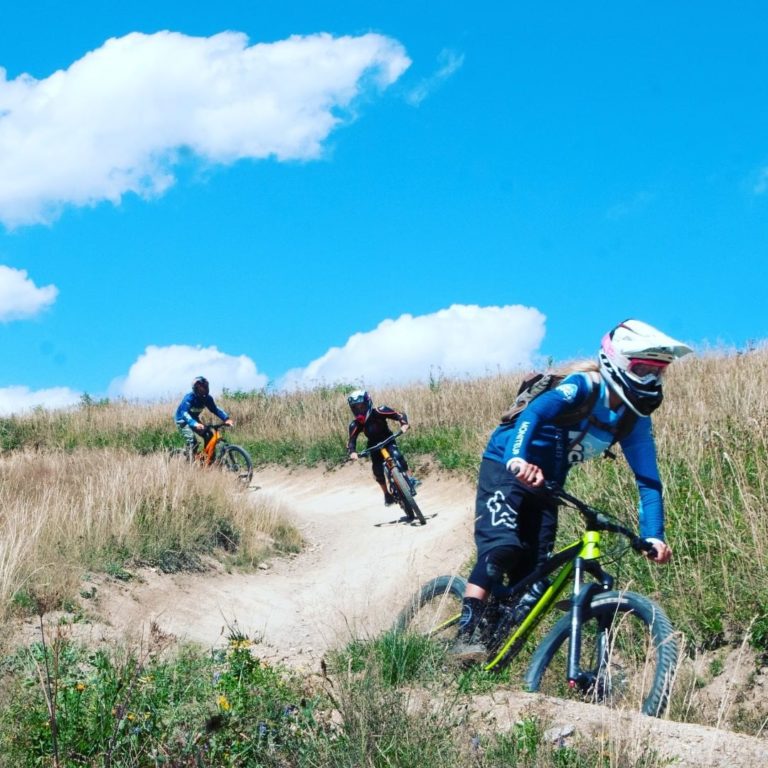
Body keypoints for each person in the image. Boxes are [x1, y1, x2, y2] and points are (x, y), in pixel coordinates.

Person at [452, 319, 693, 659]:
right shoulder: (584, 385)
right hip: (506, 464)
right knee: (503, 546)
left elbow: (648, 480)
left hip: (548, 483)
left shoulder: (633, 419)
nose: (652, 380)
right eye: (643, 369)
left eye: (659, 372)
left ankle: (490, 651)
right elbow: (533, 415)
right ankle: (465, 634)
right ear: (618, 362)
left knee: (534, 577)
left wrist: (653, 534)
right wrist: (518, 459)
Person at [346, 389, 414, 506]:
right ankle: (386, 494)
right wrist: (352, 452)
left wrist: (404, 424)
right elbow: (351, 441)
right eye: (355, 408)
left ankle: (411, 479)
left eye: (361, 406)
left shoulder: (380, 411)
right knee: (377, 470)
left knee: (398, 457)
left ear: (368, 403)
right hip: (373, 446)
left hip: (387, 439)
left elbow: (399, 415)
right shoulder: (355, 425)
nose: (359, 410)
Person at [174, 376, 233, 454]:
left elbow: (215, 409)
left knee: (208, 434)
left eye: (205, 387)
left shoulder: (208, 399)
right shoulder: (189, 398)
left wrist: (226, 419)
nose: (204, 389)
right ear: (195, 388)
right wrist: (194, 424)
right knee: (193, 442)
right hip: (182, 420)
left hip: (194, 419)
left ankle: (207, 459)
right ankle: (190, 462)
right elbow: (184, 413)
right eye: (201, 388)